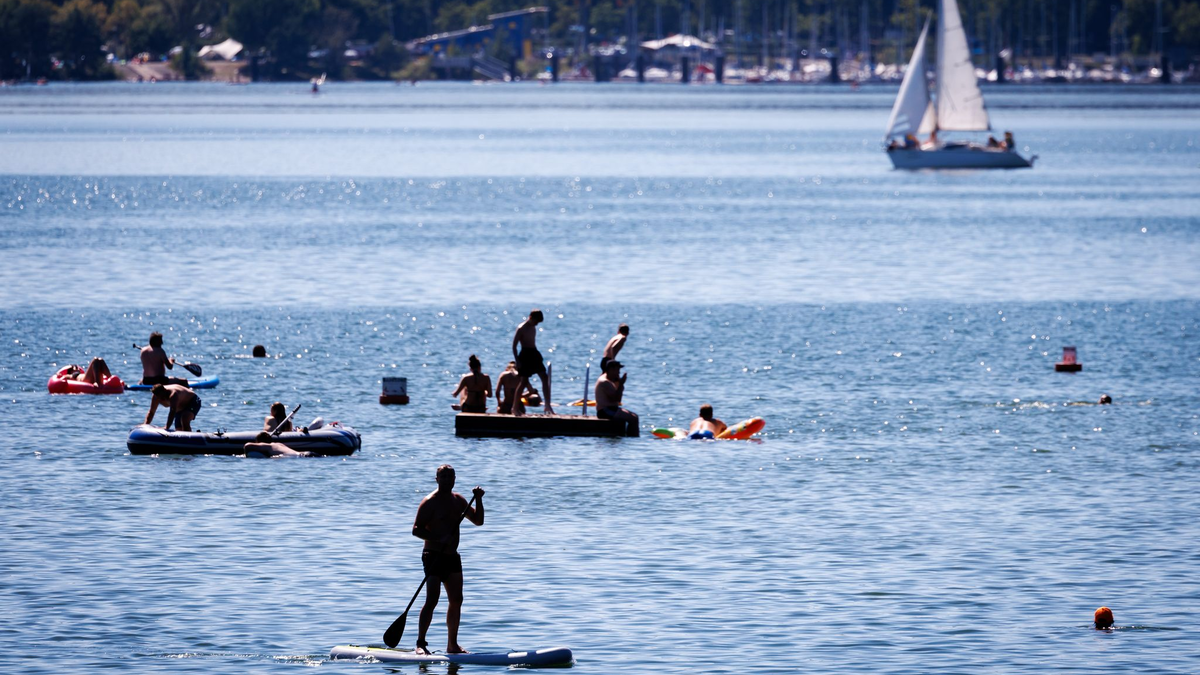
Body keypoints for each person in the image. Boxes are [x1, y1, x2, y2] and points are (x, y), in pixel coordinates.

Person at [412, 465, 485, 655]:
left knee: (457, 600)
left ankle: (452, 645)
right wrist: (437, 537)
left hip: (452, 557)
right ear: (436, 479)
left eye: (449, 477)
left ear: (454, 479)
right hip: (433, 556)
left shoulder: (459, 501)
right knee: (432, 599)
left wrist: (478, 500)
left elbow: (478, 521)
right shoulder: (429, 502)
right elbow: (416, 529)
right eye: (442, 477)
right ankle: (420, 643)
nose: (446, 480)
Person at [511, 309, 553, 416]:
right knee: (523, 382)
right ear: (530, 317)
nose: (537, 324)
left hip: (534, 353)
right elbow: (514, 346)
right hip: (525, 354)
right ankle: (514, 408)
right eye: (536, 321)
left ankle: (547, 405)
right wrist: (517, 361)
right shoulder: (521, 328)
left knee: (544, 377)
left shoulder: (533, 327)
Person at [594, 360, 638, 432]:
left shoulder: (608, 379)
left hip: (611, 409)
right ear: (611, 370)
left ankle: (630, 436)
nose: (619, 372)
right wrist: (621, 384)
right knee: (633, 419)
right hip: (605, 411)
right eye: (617, 370)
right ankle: (633, 438)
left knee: (634, 416)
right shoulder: (605, 382)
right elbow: (617, 399)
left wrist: (618, 382)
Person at [244, 431, 312, 458]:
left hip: (301, 456)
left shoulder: (268, 446)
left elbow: (247, 446)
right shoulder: (279, 444)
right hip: (307, 454)